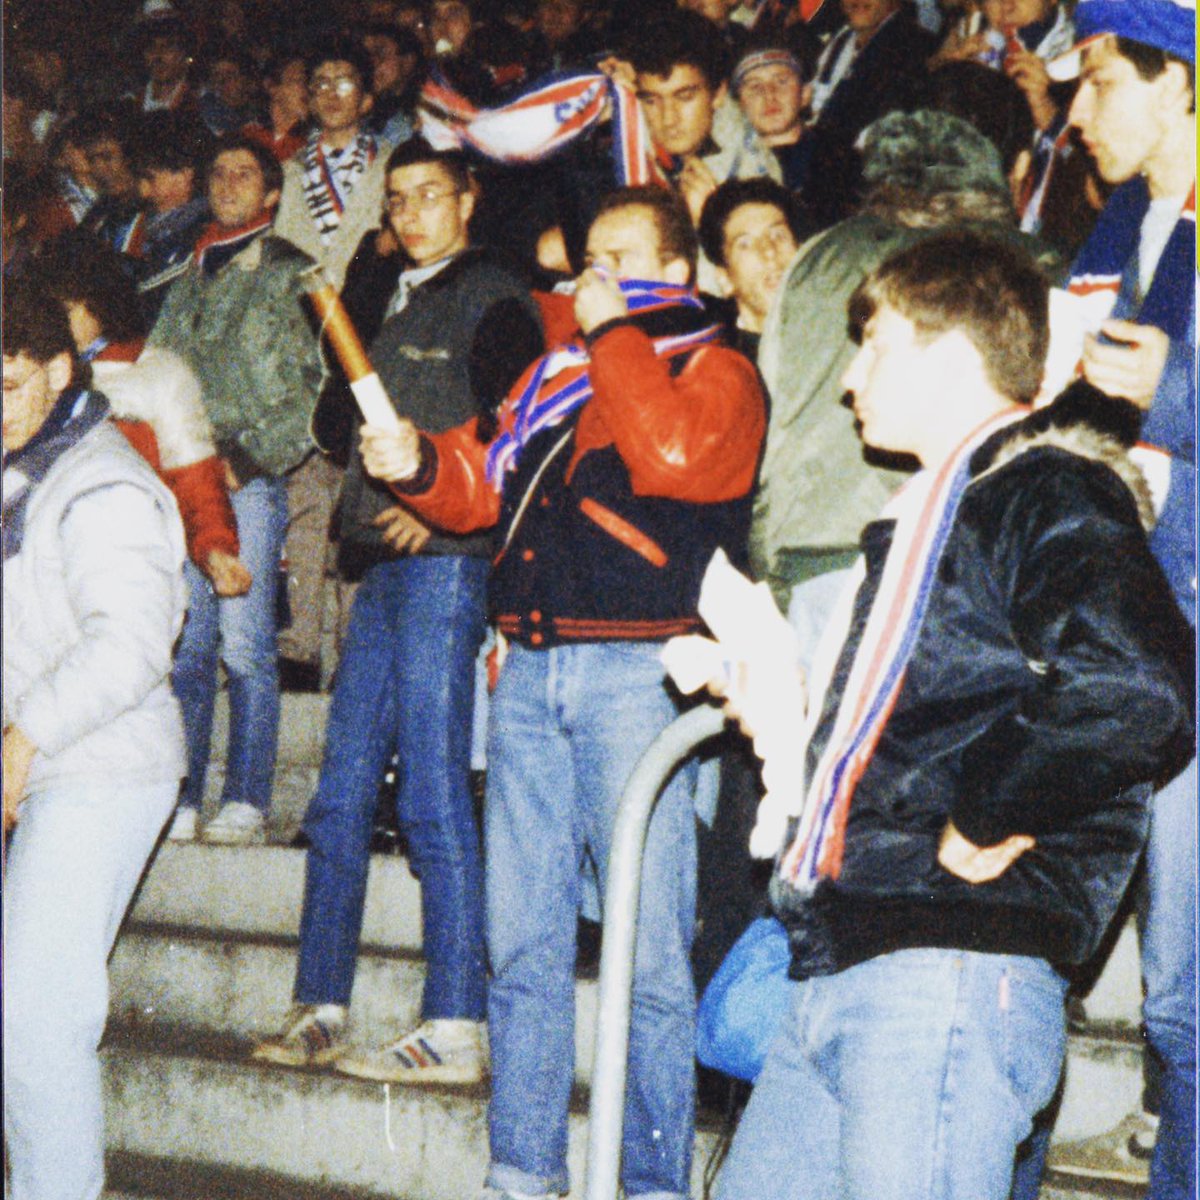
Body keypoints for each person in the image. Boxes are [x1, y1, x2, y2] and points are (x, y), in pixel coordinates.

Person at [703, 229, 1194, 1200]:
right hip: (847, 956)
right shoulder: (935, 514)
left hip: (947, 969)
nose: (849, 378)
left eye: (873, 343)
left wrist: (987, 808)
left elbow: (1137, 682)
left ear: (947, 351)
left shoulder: (1048, 487)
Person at [359, 184, 766, 1200]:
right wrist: (416, 464)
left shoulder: (715, 368)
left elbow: (673, 454)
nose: (592, 278)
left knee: (650, 956)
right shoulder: (555, 377)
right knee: (524, 946)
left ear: (678, 274)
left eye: (619, 258)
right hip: (530, 671)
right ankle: (520, 1173)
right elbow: (483, 483)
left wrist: (614, 332)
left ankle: (654, 1181)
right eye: (587, 259)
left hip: (639, 678)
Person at [252, 142, 542, 1081]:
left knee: (430, 791)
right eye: (401, 200)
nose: (415, 213)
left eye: (433, 196)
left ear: (469, 199)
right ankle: (322, 1002)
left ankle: (457, 1021)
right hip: (373, 567)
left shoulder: (496, 297)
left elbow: (522, 423)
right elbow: (341, 426)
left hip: (443, 563)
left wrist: (448, 498)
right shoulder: (390, 294)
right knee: (338, 800)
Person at [1029, 3, 1195, 1196]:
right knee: (1150, 980)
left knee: (1191, 991)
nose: (1074, 112)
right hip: (1126, 632)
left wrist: (1176, 390)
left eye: (1096, 80)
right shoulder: (1127, 219)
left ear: (1178, 79)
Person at [2, 279, 188, 1200]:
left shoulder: (102, 479)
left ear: (60, 371)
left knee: (38, 1010)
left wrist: (21, 736)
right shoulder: (21, 470)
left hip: (104, 761)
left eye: (7, 383)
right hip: (41, 758)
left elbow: (131, 644)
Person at [149, 134, 324, 844]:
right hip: (182, 482)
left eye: (244, 173)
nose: (227, 182)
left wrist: (250, 459)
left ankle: (247, 793)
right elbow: (155, 374)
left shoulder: (293, 272)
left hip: (246, 481)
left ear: (272, 193)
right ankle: (186, 792)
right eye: (217, 172)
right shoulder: (179, 275)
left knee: (246, 643)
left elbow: (318, 384)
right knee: (188, 648)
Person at [272, 37, 394, 689]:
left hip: (368, 345)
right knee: (306, 499)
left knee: (359, 504)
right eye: (318, 81)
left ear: (369, 96)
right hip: (306, 348)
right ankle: (300, 643)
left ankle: (351, 648)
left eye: (344, 81)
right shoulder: (289, 170)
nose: (329, 92)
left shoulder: (394, 164)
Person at [698, 176, 803, 358]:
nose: (769, 251)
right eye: (745, 244)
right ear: (725, 280)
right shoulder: (727, 369)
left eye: (778, 235)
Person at [732, 44, 813, 189]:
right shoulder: (727, 167)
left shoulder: (837, 160)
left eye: (781, 82)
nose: (769, 95)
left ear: (805, 94)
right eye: (755, 87)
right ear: (740, 105)